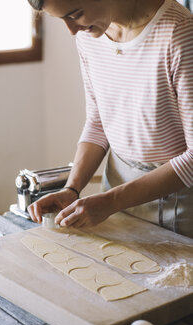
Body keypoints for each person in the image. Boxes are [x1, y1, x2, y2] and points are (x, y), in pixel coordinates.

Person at [27, 0, 193, 238]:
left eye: (75, 15)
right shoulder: (89, 37)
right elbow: (98, 123)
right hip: (115, 190)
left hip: (175, 200)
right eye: (61, 19)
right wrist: (72, 189)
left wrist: (112, 201)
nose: (71, 30)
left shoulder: (180, 32)